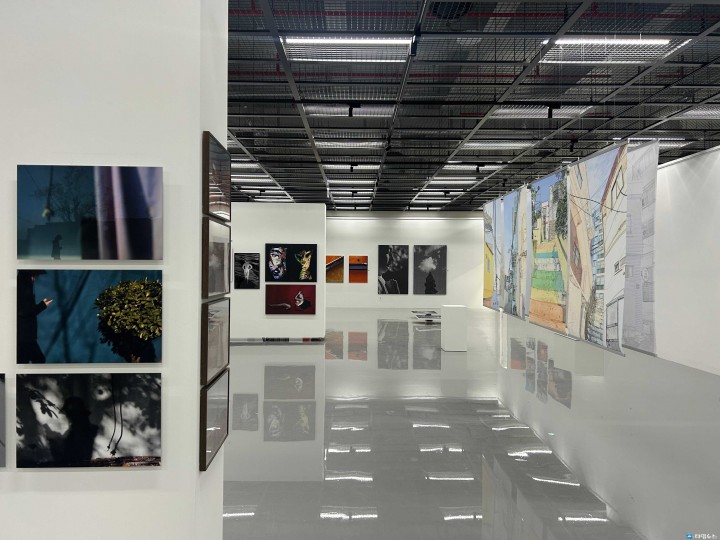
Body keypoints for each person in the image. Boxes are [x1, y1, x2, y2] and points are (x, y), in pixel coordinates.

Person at [17, 270, 52, 364]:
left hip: (24, 336)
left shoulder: (24, 286)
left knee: (24, 362)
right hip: (25, 337)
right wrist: (42, 305)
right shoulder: (24, 288)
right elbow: (24, 311)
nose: (36, 278)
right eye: (36, 275)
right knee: (38, 360)